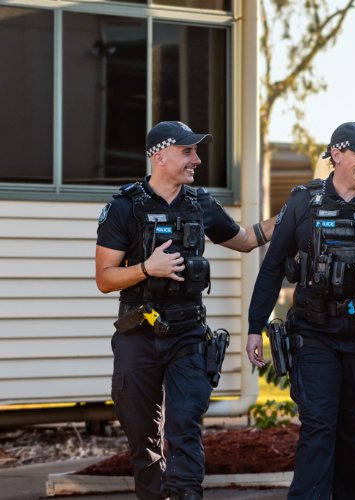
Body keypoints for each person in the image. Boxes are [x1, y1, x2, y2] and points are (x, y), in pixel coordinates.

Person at [94, 121, 275, 500]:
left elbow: (244, 240)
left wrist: (293, 215)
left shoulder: (200, 203)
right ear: (159, 156)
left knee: (184, 429)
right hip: (137, 334)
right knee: (143, 440)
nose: (197, 159)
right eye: (188, 151)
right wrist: (147, 268)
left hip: (188, 335)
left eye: (196, 151)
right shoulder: (124, 208)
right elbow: (105, 278)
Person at [245, 122, 355, 499]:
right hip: (315, 332)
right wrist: (255, 325)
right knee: (319, 426)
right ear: (336, 154)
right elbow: (273, 265)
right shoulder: (303, 202)